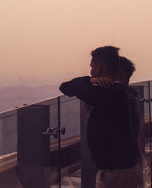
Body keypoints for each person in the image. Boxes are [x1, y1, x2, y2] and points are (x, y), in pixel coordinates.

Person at [59, 46, 140, 188]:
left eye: (92, 67)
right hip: (124, 168)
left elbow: (66, 87)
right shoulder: (122, 92)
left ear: (99, 67)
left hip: (116, 173)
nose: (91, 71)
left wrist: (90, 81)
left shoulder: (106, 94)